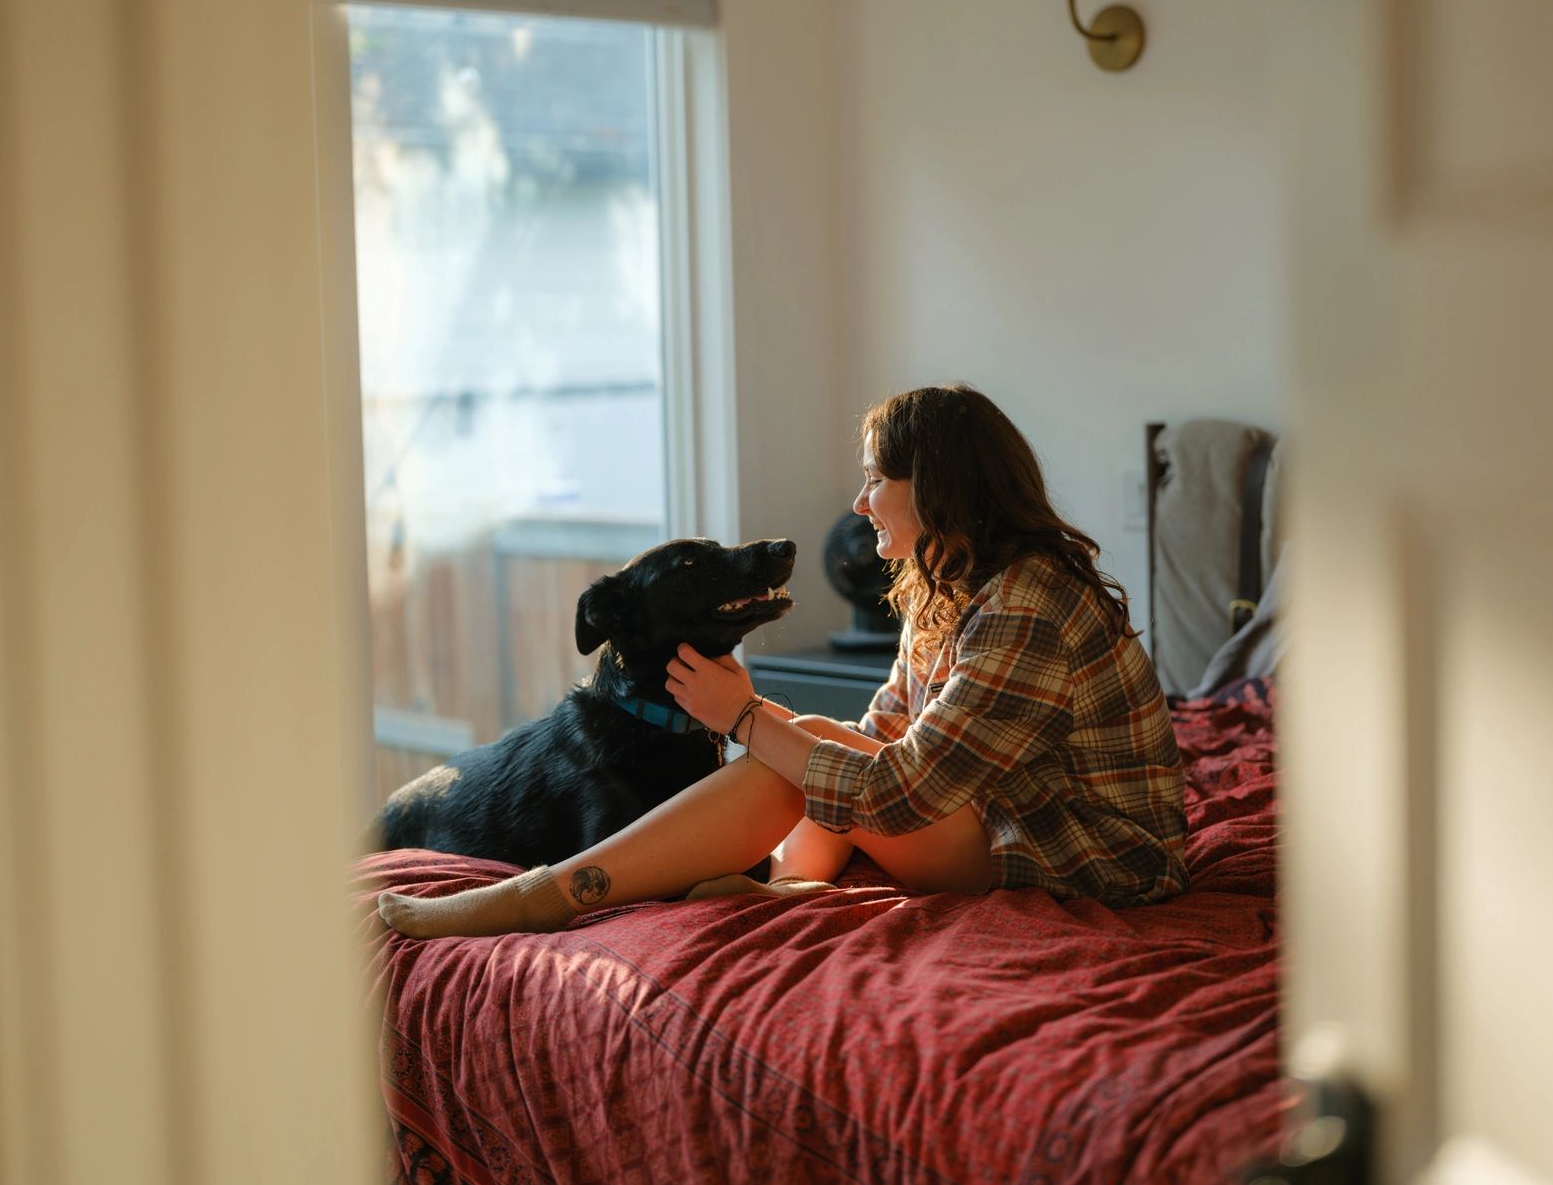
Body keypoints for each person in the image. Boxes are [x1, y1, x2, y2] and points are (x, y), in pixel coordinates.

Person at [377, 384, 1186, 940]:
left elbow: (900, 791)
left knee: (785, 748)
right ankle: (780, 886)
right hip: (993, 818)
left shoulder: (1026, 604)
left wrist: (744, 719)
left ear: (936, 488)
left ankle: (543, 895)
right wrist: (775, 732)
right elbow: (876, 738)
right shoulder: (948, 589)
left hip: (1084, 858)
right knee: (804, 740)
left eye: (876, 481)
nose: (861, 503)